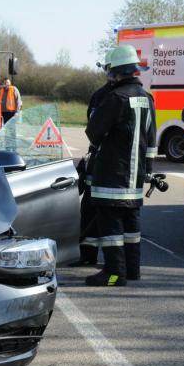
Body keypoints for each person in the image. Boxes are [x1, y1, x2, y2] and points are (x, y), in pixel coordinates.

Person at [83, 44, 157, 286]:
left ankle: (114, 275)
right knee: (131, 228)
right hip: (134, 179)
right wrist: (148, 169)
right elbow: (151, 138)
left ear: (115, 73)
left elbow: (93, 133)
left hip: (112, 176)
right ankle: (132, 270)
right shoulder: (147, 99)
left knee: (111, 228)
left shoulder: (115, 98)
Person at [71, 49, 116, 267]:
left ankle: (111, 264)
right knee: (89, 209)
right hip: (99, 160)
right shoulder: (101, 96)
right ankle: (89, 256)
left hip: (109, 164)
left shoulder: (114, 97)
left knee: (105, 215)